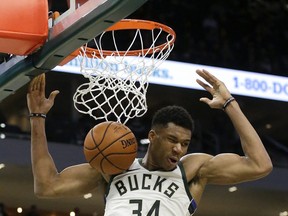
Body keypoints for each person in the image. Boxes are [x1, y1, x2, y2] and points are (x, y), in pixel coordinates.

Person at [27, 69, 273, 215]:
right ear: (153, 137)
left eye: (185, 143)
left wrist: (231, 104)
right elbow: (47, 186)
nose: (179, 148)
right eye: (172, 140)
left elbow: (260, 165)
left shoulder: (192, 170)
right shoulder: (114, 167)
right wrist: (37, 118)